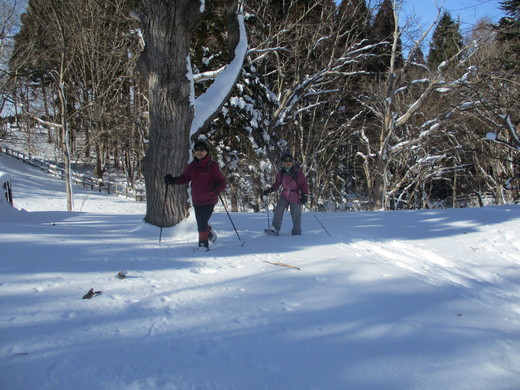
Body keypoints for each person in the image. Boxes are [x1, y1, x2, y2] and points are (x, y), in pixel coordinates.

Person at [164, 139, 227, 250]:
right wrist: (172, 180)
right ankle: (210, 233)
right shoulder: (192, 166)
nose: (199, 152)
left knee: (202, 224)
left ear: (207, 151)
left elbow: (222, 181)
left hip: (209, 199)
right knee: (201, 224)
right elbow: (184, 178)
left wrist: (217, 188)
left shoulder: (212, 166)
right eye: (196, 150)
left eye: (201, 150)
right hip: (197, 200)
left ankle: (203, 245)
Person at [263, 151, 309, 236]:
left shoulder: (297, 172)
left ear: (292, 162)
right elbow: (277, 184)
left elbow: (304, 184)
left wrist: (304, 194)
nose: (288, 163)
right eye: (285, 161)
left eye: (290, 161)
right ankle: (275, 229)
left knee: (296, 215)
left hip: (295, 195)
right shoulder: (281, 173)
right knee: (278, 210)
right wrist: (270, 190)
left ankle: (297, 233)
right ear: (282, 162)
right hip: (285, 194)